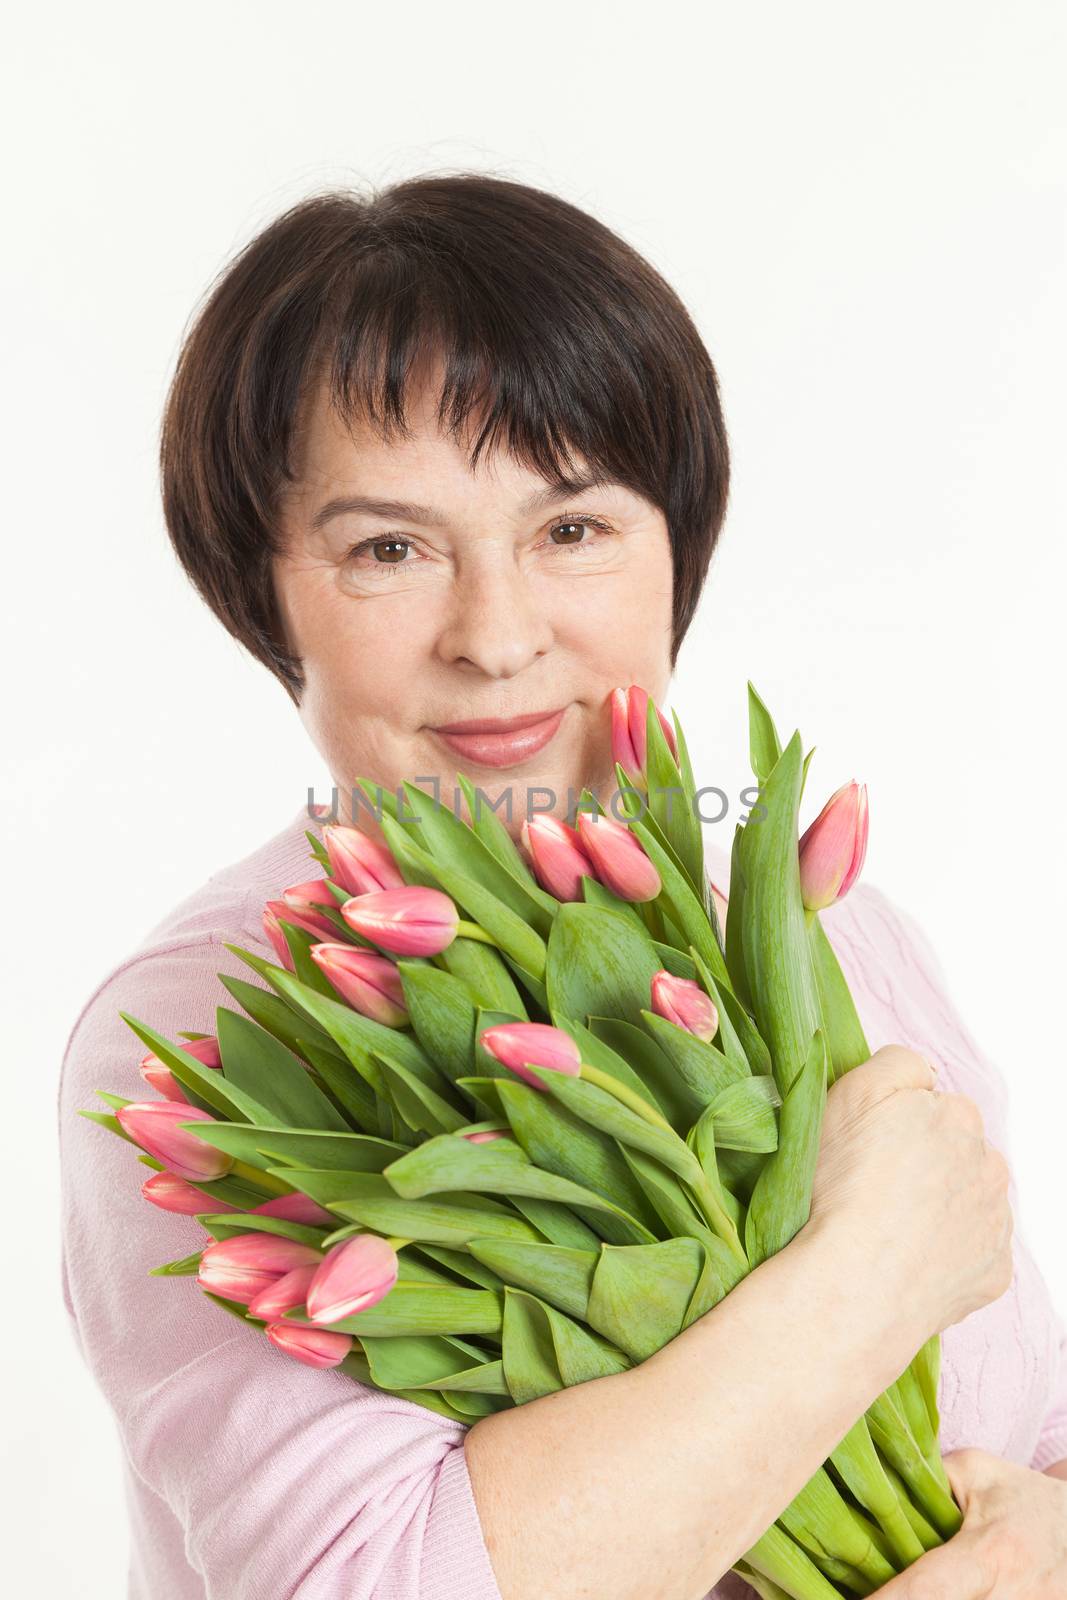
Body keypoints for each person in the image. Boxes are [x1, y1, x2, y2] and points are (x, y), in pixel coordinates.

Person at [58, 174, 1067, 1600]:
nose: (497, 635)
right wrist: (873, 1267)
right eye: (388, 549)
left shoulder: (822, 922)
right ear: (263, 592)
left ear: (675, 541)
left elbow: (1035, 1424)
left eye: (573, 528)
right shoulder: (221, 1028)